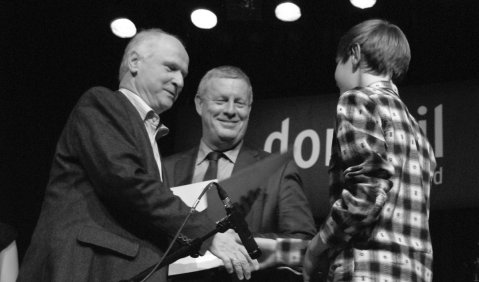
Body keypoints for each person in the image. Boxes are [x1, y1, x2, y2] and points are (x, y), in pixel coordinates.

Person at [17, 29, 256, 282]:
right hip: (89, 267)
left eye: (183, 74)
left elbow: (144, 217)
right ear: (134, 62)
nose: (179, 81)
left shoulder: (150, 135)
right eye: (171, 68)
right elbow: (126, 181)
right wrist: (207, 233)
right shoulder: (103, 103)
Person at [303, 19, 436, 282]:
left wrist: (317, 246)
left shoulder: (357, 99)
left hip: (367, 271)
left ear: (354, 54)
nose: (335, 75)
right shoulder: (418, 132)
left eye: (336, 63)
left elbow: (367, 192)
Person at [164, 66, 316, 281]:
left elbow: (303, 246)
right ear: (199, 104)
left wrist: (241, 241)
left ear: (249, 108)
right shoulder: (166, 169)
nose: (230, 110)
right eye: (221, 100)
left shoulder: (278, 171)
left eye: (240, 103)